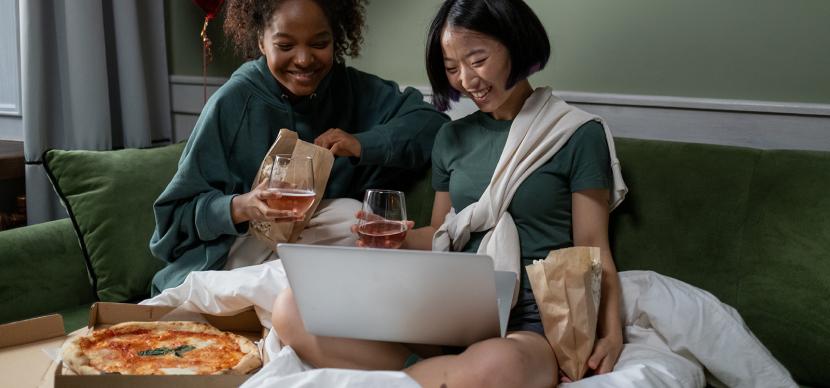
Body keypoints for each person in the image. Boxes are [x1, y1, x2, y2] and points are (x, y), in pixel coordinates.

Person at [272, 0, 628, 386]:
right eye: (452, 68)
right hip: (447, 310)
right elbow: (441, 236)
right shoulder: (452, 137)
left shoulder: (576, 134)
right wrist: (399, 239)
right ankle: (436, 376)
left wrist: (612, 334)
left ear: (516, 44)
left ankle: (411, 376)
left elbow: (594, 249)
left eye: (477, 60)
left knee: (498, 364)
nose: (466, 80)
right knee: (291, 308)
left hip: (531, 321)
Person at [149, 0, 448, 295]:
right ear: (261, 42)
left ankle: (295, 301)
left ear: (336, 38)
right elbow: (174, 218)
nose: (304, 60)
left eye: (319, 43)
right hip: (230, 260)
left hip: (305, 257)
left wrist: (361, 143)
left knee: (351, 215)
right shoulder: (233, 102)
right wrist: (242, 207)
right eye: (285, 45)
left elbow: (432, 124)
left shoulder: (349, 89)